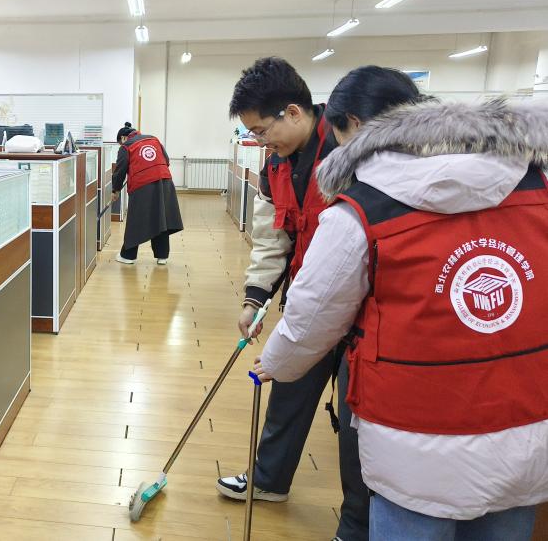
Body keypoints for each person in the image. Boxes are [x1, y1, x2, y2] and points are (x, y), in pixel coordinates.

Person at [252, 93, 548, 540]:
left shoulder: (362, 206)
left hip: (414, 437)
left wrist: (277, 361)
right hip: (523, 427)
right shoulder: (536, 187)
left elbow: (313, 315)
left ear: (357, 128)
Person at [218, 59, 419, 541]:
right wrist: (255, 297)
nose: (260, 143)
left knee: (354, 424)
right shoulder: (275, 164)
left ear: (293, 112)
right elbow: (273, 236)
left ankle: (355, 525)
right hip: (310, 297)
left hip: (366, 312)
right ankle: (268, 480)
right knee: (288, 388)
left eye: (262, 131)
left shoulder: (355, 147)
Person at [112, 123, 183, 265]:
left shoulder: (126, 147)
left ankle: (128, 256)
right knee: (161, 217)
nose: (121, 145)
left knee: (136, 219)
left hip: (143, 185)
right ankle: (162, 256)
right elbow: (166, 160)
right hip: (165, 182)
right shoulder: (154, 139)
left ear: (123, 138)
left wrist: (115, 190)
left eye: (120, 142)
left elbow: (120, 171)